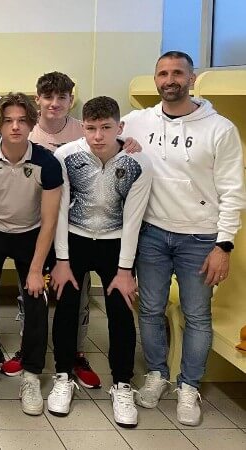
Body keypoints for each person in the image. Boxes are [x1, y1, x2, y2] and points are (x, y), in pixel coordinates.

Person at [121, 51, 246, 426]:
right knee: (150, 309)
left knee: (197, 315)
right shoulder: (138, 121)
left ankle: (189, 387)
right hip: (152, 234)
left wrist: (224, 245)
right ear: (155, 79)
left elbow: (233, 191)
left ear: (192, 79)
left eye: (177, 73)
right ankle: (157, 374)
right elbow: (98, 132)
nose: (169, 79)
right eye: (163, 73)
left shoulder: (220, 129)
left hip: (201, 238)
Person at [48, 96, 152, 427]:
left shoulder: (138, 162)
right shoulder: (66, 156)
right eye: (91, 128)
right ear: (83, 127)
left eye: (105, 128)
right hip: (74, 239)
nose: (97, 136)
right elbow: (59, 210)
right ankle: (63, 376)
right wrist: (61, 260)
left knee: (120, 311)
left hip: (115, 243)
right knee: (66, 308)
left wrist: (125, 269)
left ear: (119, 127)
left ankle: (122, 383)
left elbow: (133, 218)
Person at [0, 72, 100, 389]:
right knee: (30, 290)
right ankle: (27, 347)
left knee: (76, 293)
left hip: (75, 226)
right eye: (48, 97)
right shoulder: (27, 130)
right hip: (35, 226)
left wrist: (129, 144)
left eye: (62, 97)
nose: (54, 103)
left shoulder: (84, 131)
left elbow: (112, 149)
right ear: (38, 99)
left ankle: (76, 353)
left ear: (71, 100)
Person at [0, 92, 62, 416]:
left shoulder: (47, 163)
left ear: (31, 124)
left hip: (32, 235)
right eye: (8, 121)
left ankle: (32, 374)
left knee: (36, 301)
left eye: (22, 121)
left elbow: (49, 221)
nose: (15, 127)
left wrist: (36, 269)